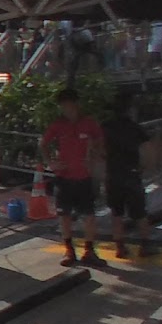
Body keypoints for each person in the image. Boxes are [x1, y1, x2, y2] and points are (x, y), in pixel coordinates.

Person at [38, 88, 107, 267]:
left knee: (89, 215)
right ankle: (69, 250)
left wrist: (94, 157)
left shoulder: (88, 123)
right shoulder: (58, 125)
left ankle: (89, 250)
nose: (66, 109)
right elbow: (43, 143)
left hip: (83, 176)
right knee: (64, 215)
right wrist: (51, 162)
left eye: (69, 105)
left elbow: (99, 141)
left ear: (76, 105)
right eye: (63, 106)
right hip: (64, 176)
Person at [100, 93, 151, 263]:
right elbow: (146, 150)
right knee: (140, 213)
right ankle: (145, 245)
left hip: (113, 174)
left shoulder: (105, 127)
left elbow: (98, 149)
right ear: (129, 110)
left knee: (117, 213)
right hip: (131, 173)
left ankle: (120, 247)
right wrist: (143, 167)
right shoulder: (135, 128)